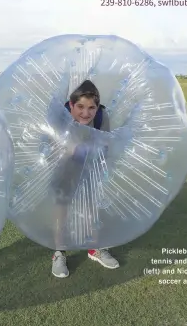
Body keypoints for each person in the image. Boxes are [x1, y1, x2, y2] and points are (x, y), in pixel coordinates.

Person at [51, 80, 120, 278]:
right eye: (80, 106)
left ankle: (94, 248)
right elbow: (51, 147)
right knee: (62, 207)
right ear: (71, 105)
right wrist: (69, 150)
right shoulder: (60, 117)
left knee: (91, 206)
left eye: (91, 107)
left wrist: (93, 152)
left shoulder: (102, 116)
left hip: (92, 164)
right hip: (63, 165)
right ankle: (59, 252)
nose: (85, 113)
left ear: (97, 107)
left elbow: (106, 142)